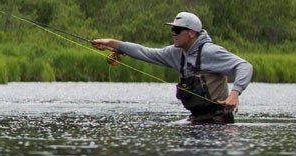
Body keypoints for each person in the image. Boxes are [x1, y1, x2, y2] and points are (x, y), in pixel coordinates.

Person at [91, 11, 253, 124]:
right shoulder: (176, 53)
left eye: (177, 29)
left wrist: (234, 94)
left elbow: (244, 66)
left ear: (192, 33)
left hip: (219, 122)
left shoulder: (210, 52)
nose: (173, 33)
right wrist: (113, 43)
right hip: (196, 119)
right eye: (172, 29)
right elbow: (145, 52)